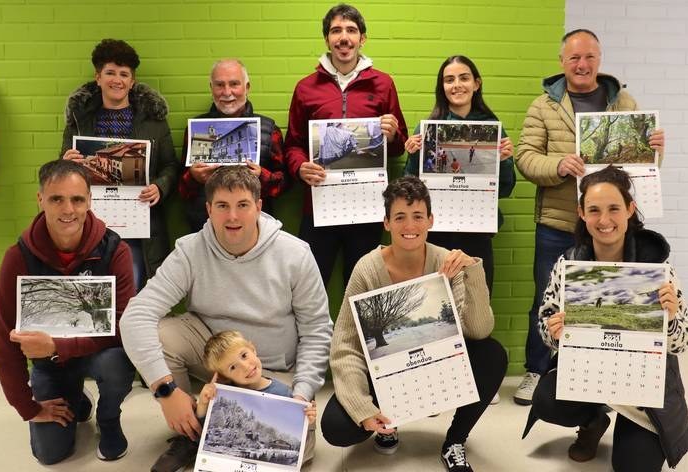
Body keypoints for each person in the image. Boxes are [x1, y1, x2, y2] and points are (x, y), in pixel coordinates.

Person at [119, 166, 332, 472]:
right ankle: (191, 430)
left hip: (272, 369)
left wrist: (301, 393)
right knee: (161, 333)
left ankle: (214, 426)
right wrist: (165, 391)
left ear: (258, 207)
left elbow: (317, 330)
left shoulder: (295, 254)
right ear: (208, 209)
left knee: (297, 453)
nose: (232, 217)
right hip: (214, 358)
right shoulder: (190, 250)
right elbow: (135, 316)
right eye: (222, 206)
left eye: (242, 205)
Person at [513, 29, 665, 404]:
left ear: (599, 59)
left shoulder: (623, 101)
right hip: (558, 221)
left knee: (613, 298)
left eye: (589, 57)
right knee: (546, 300)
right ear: (562, 62)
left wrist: (655, 151)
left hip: (608, 227)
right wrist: (558, 164)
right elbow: (525, 156)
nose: (582, 65)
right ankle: (536, 370)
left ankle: (609, 370)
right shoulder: (543, 107)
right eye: (574, 58)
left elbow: (640, 166)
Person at [320, 176, 507, 472]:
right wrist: (363, 408)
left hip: (438, 366)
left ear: (430, 220)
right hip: (385, 374)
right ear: (386, 223)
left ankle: (454, 442)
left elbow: (478, 330)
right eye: (400, 217)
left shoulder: (447, 262)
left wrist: (472, 273)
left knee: (493, 353)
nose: (409, 226)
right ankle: (387, 422)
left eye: (418, 216)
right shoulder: (367, 268)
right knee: (336, 427)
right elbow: (345, 345)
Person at [521, 165, 688, 471]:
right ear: (582, 213)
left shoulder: (656, 266)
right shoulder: (569, 263)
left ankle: (630, 424)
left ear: (630, 210)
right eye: (594, 210)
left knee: (632, 466)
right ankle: (593, 421)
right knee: (546, 399)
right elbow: (545, 325)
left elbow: (681, 343)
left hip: (643, 387)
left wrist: (672, 316)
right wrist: (553, 330)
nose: (605, 220)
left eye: (614, 209)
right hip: (590, 374)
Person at [0, 159, 136, 464]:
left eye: (77, 199)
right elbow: (3, 345)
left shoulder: (114, 251)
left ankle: (108, 420)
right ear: (40, 199)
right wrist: (29, 408)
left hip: (96, 354)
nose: (68, 210)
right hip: (50, 364)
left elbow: (122, 327)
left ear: (89, 201)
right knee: (50, 454)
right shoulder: (18, 258)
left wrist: (58, 344)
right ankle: (76, 398)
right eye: (57, 199)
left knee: (118, 362)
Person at [284, 3, 408, 287]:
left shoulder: (383, 83)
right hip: (319, 205)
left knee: (364, 290)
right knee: (307, 288)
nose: (344, 37)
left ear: (362, 38)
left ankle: (360, 335)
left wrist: (392, 134)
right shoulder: (306, 88)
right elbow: (294, 143)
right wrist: (299, 167)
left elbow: (399, 146)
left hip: (366, 208)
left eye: (351, 30)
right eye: (336, 30)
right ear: (327, 39)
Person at [60, 38, 179, 290]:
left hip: (137, 223)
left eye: (124, 74)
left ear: (132, 81)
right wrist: (65, 164)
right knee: (94, 292)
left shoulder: (154, 121)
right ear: (98, 77)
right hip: (91, 222)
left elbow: (171, 166)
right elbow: (62, 176)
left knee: (134, 289)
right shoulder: (79, 121)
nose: (117, 80)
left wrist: (159, 186)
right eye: (110, 72)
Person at [404, 55, 516, 295]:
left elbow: (506, 189)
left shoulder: (492, 128)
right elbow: (410, 190)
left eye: (464, 78)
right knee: (438, 305)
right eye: (449, 79)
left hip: (477, 232)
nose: (457, 85)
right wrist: (414, 155)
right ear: (442, 88)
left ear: (477, 83)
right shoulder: (427, 128)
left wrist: (505, 162)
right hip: (437, 234)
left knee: (477, 308)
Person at [178, 59, 288, 232]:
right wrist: (193, 177)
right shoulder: (197, 129)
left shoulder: (268, 129)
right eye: (219, 85)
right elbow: (181, 190)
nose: (227, 92)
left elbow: (284, 184)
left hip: (255, 227)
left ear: (247, 87)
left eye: (234, 84)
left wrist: (261, 176)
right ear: (211, 88)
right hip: (206, 225)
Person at [196, 331, 317, 463]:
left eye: (244, 355)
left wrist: (307, 420)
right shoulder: (225, 396)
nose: (245, 367)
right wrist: (203, 404)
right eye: (233, 367)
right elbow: (205, 430)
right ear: (224, 376)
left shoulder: (284, 392)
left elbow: (296, 433)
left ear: (253, 349)